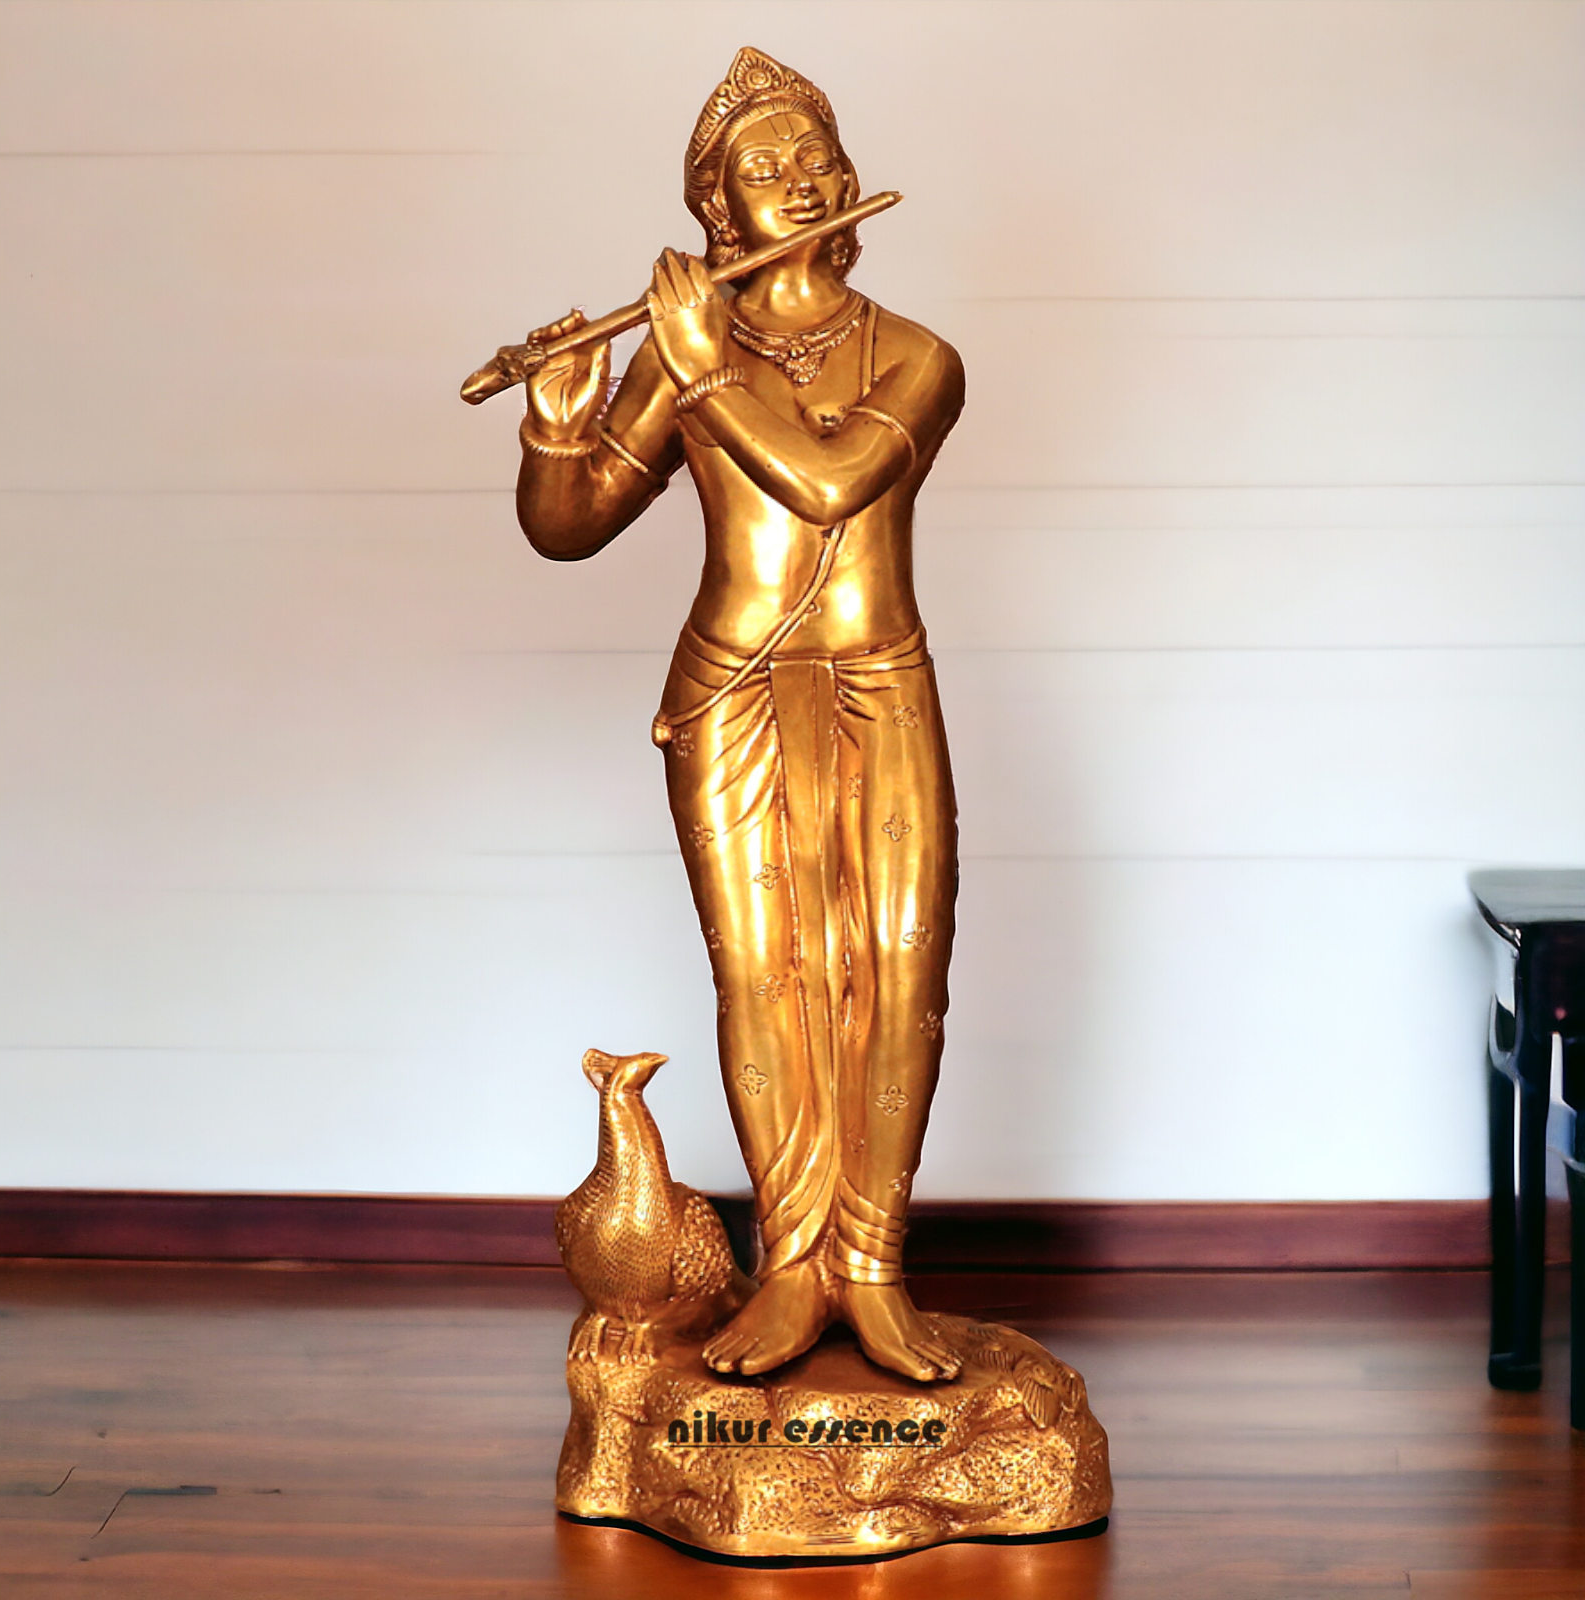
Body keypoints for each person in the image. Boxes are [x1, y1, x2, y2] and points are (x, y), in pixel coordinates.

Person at [516, 48, 965, 1383]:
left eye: (816, 154)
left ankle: (873, 1269)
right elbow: (569, 529)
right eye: (764, 166)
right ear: (718, 207)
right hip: (732, 686)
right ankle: (791, 1265)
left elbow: (831, 484)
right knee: (762, 973)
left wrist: (707, 372)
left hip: (876, 676)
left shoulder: (918, 356)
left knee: (895, 971)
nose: (802, 179)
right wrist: (556, 427)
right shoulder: (687, 353)